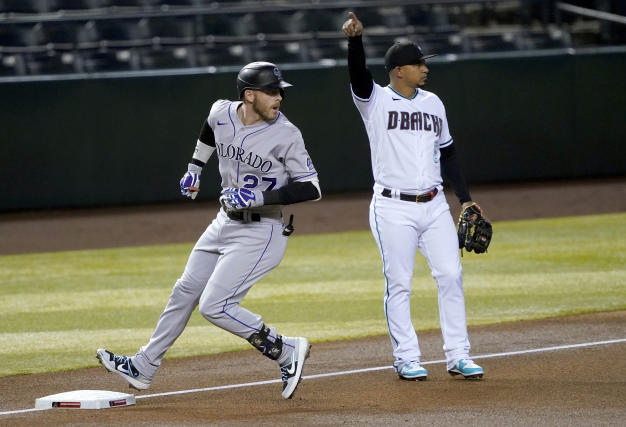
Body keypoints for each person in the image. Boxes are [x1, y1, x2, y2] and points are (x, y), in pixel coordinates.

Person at [97, 61, 321, 399]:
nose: (279, 98)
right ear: (249, 95)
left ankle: (286, 349)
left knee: (215, 305)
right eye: (271, 91)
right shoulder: (222, 112)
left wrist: (260, 196)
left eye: (280, 92)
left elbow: (312, 187)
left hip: (262, 231)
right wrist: (194, 167)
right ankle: (144, 366)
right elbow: (208, 129)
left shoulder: (286, 133)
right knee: (185, 290)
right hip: (224, 221)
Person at [342, 12, 484, 381]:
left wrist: (464, 199)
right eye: (418, 63)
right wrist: (355, 41)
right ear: (398, 70)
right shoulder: (374, 101)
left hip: (435, 203)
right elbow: (358, 74)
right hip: (392, 207)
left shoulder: (434, 103)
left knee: (451, 274)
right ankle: (406, 356)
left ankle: (458, 354)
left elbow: (449, 152)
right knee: (400, 282)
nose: (425, 68)